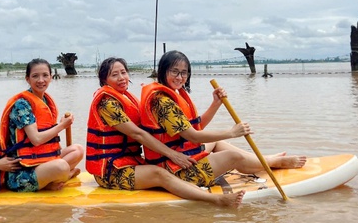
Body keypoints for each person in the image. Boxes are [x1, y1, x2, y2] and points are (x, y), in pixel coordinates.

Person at [87, 57, 245, 207]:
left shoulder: (128, 98)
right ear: (104, 80)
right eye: (114, 75)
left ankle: (268, 162)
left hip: (131, 161)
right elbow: (138, 134)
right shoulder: (106, 103)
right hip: (110, 171)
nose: (121, 77)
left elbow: (193, 128)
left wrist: (215, 104)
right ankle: (216, 200)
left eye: (124, 72)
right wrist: (173, 154)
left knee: (210, 144)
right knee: (158, 173)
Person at [140, 50, 306, 187]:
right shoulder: (161, 102)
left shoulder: (173, 95)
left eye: (184, 72)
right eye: (174, 71)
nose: (179, 77)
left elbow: (197, 127)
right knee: (233, 157)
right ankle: (273, 162)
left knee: (217, 143)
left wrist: (216, 103)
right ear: (163, 72)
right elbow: (192, 136)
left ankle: (263, 159)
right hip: (175, 170)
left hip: (182, 158)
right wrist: (231, 132)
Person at [0, 58, 84, 192]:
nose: (41, 80)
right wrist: (62, 126)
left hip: (43, 161)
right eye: (35, 76)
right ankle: (59, 177)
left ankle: (54, 178)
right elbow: (36, 139)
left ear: (51, 77)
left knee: (77, 150)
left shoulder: (45, 100)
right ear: (27, 79)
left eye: (45, 75)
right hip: (21, 173)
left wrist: (61, 124)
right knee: (62, 167)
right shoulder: (22, 104)